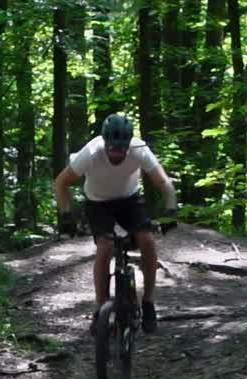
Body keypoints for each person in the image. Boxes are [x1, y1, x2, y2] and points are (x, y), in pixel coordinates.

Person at [54, 113, 178, 334]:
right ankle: (100, 309)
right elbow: (61, 182)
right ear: (105, 142)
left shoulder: (139, 150)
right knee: (105, 246)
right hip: (98, 203)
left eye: (121, 149)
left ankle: (148, 303)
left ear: (129, 144)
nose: (117, 153)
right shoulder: (91, 152)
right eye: (112, 148)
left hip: (129, 200)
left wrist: (170, 211)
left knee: (147, 240)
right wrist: (65, 216)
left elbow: (164, 183)